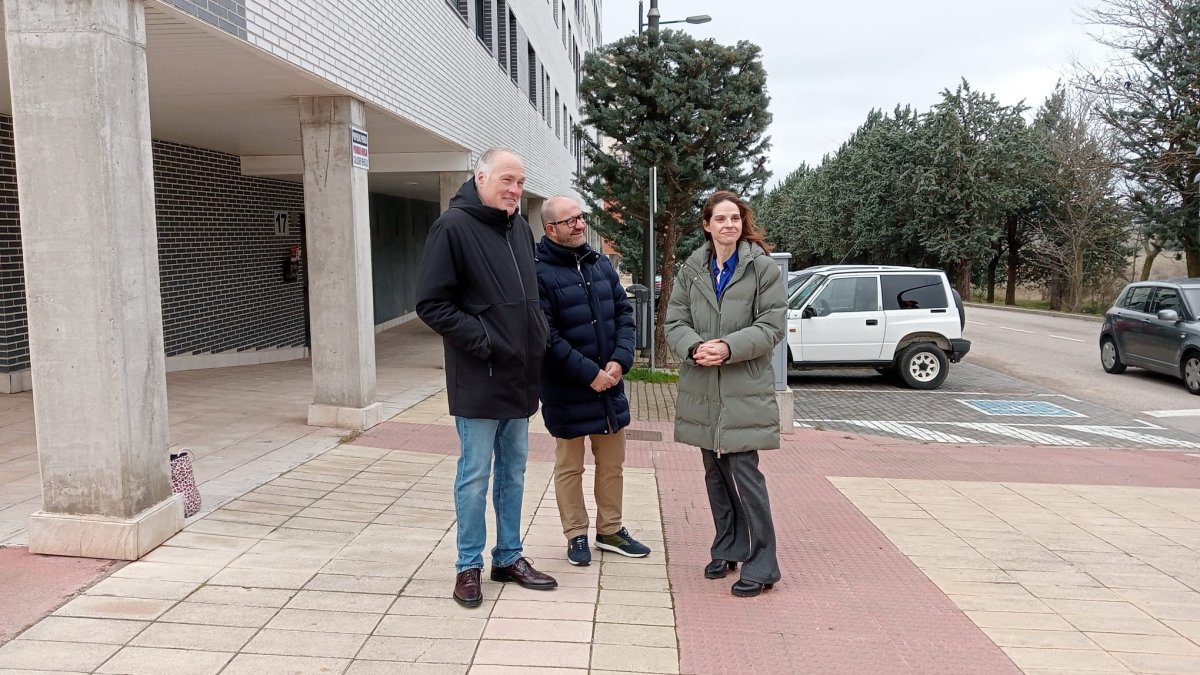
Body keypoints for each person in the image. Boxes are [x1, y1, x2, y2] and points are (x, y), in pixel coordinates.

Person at [416, 147, 557, 608]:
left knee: (513, 471)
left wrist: (537, 337)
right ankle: (468, 566)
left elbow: (528, 297)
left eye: (520, 182)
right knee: (475, 474)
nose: (516, 190)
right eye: (507, 180)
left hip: (519, 375)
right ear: (481, 178)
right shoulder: (452, 228)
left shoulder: (518, 226)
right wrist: (486, 339)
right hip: (479, 374)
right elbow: (432, 304)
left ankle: (508, 556)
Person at [664, 190, 786, 598]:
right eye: (720, 219)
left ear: (742, 223)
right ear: (707, 225)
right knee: (715, 474)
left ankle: (763, 563)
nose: (728, 225)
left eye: (735, 218)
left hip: (743, 388)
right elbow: (674, 320)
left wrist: (727, 347)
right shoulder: (692, 269)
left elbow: (771, 325)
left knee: (745, 474)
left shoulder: (763, 269)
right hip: (702, 387)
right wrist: (694, 347)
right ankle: (727, 546)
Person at [534, 196, 651, 566]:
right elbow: (546, 337)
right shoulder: (537, 272)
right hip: (567, 389)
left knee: (612, 464)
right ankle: (576, 535)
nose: (580, 225)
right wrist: (590, 375)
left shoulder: (600, 264)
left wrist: (620, 361)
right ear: (551, 229)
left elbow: (623, 314)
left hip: (610, 386)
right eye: (571, 221)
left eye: (581, 218)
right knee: (570, 466)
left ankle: (610, 530)